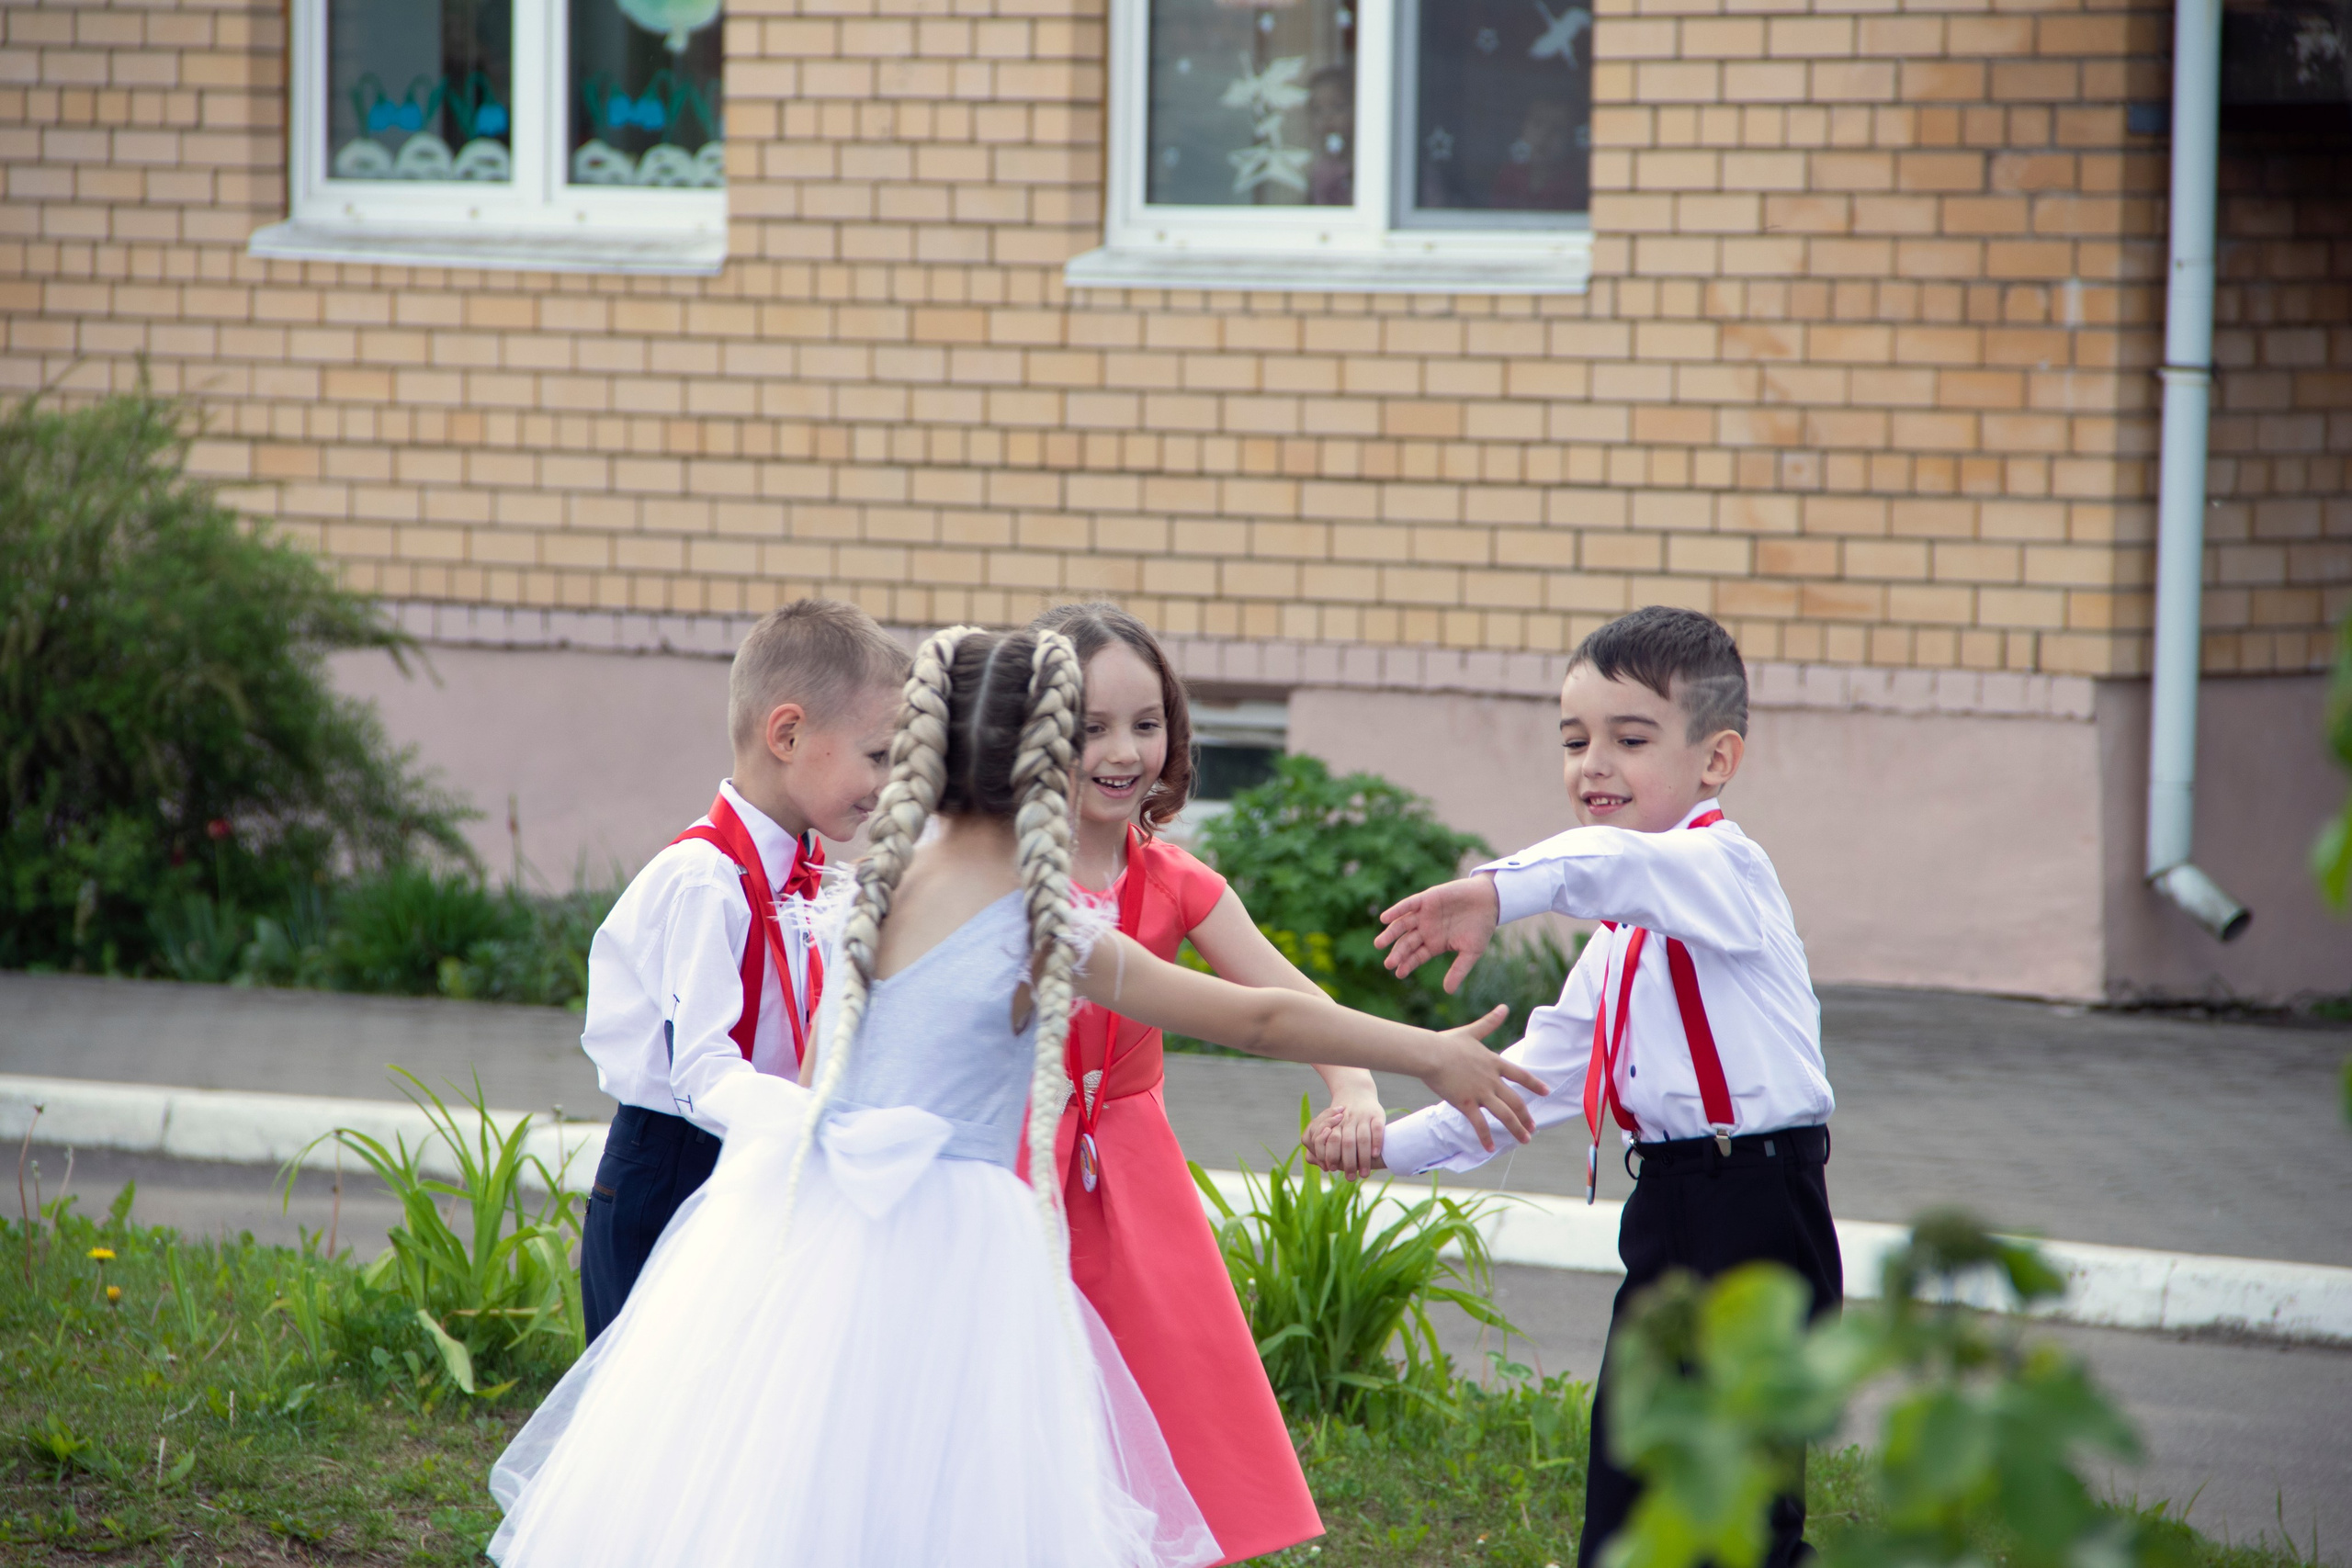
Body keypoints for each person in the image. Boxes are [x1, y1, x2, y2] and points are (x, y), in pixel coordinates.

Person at [488, 625, 1548, 1567]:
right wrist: (1428, 1054)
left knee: (805, 1481)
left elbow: (824, 1072)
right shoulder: (1039, 922)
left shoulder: (867, 887)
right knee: (954, 1494)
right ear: (1048, 760)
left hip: (816, 1229)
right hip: (957, 1245)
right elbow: (1258, 1017)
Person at [1306, 604, 1838, 1568]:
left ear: (1715, 762)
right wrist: (1382, 1147)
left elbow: (1608, 864)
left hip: (1761, 1211)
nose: (1593, 763)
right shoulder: (1614, 946)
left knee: (1743, 1522)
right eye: (1574, 738)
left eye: (1629, 739)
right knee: (1627, 1500)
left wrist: (1496, 890)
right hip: (1669, 1210)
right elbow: (1519, 1092)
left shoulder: (1725, 869)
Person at [1027, 602, 1378, 1564]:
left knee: (1155, 1403)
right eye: (1090, 726)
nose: (1121, 751)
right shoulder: (989, 874)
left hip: (1130, 1180)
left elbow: (1285, 998)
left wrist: (1355, 1085)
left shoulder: (1180, 882)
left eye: (1146, 725)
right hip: (1008, 1171)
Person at [574, 598, 910, 1342]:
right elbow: (700, 1067)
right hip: (670, 1167)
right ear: (788, 733)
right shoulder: (704, 880)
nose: (888, 782)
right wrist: (808, 1123)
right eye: (879, 754)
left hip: (761, 1160)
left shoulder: (819, 876)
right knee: (648, 1390)